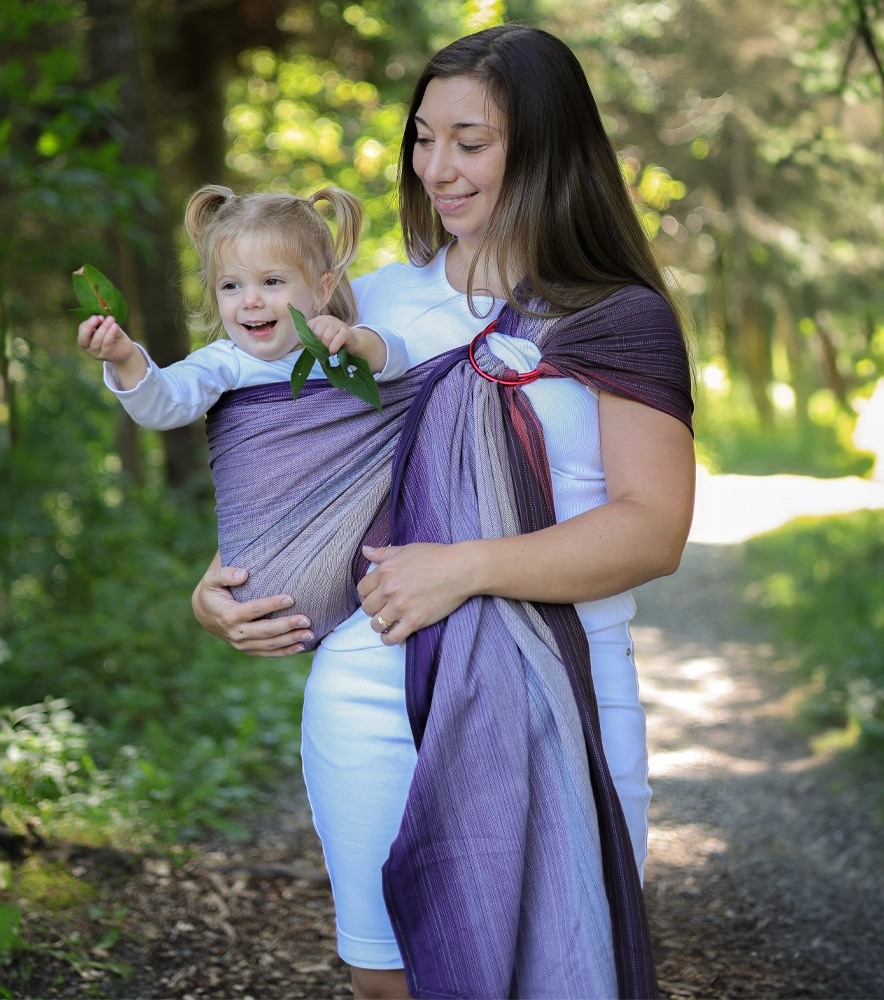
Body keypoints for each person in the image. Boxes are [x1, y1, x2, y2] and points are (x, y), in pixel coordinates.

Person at [192, 25, 696, 1000]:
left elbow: (651, 526)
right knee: (393, 985)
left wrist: (462, 565)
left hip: (567, 692)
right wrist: (212, 589)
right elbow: (288, 486)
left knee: (564, 973)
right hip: (373, 692)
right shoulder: (367, 304)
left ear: (544, 146)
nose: (436, 168)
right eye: (423, 139)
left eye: (470, 141)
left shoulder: (614, 316)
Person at [77, 184, 408, 438]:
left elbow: (398, 361)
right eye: (231, 286)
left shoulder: (336, 351)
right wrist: (126, 359)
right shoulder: (226, 362)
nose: (250, 301)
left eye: (272, 281)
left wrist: (356, 342)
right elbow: (164, 404)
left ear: (322, 288)